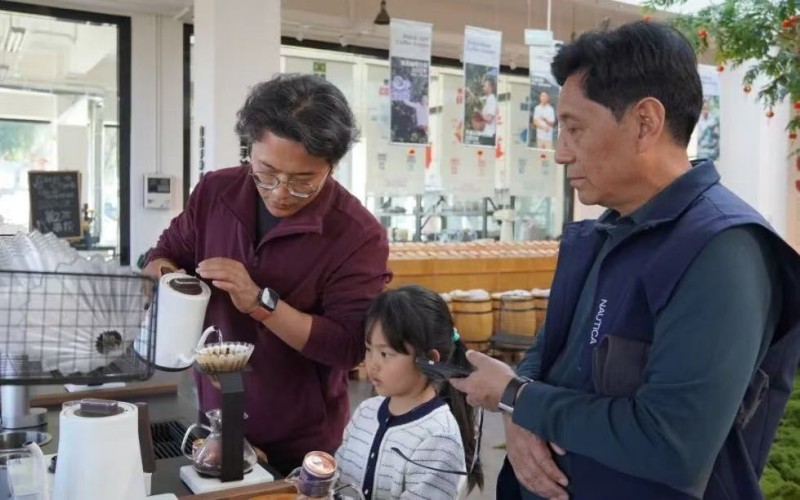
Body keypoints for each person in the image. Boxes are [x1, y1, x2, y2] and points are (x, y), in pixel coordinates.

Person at [450, 21, 800, 500]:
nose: (560, 153)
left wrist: (518, 397)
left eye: (575, 129)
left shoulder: (723, 251)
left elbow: (672, 442)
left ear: (645, 123)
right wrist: (519, 410)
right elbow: (549, 352)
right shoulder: (610, 229)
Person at [143, 74, 391, 475]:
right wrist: (172, 284)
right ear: (250, 148)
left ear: (331, 166)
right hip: (215, 419)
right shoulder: (215, 192)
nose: (280, 192)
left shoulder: (357, 234)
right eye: (267, 172)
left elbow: (347, 347)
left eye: (303, 181)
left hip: (301, 440)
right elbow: (164, 255)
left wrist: (261, 303)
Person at [336, 285, 484, 499]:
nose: (372, 364)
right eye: (369, 349)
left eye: (385, 354)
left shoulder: (438, 437)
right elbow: (338, 480)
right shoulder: (366, 411)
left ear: (430, 360)